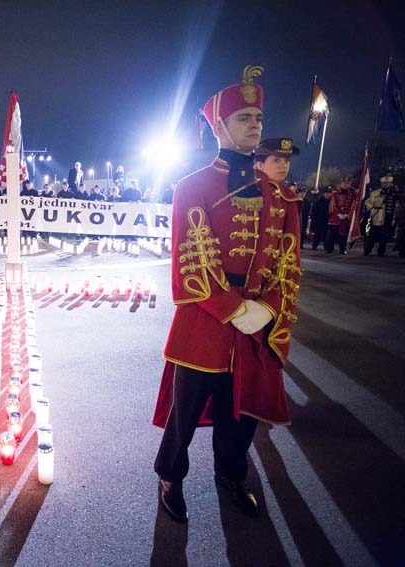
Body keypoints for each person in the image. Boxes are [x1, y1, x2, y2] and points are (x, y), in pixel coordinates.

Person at [152, 67, 302, 523]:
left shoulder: (282, 196)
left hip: (255, 320)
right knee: (186, 412)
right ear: (219, 127)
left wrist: (267, 310)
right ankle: (170, 477)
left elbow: (289, 261)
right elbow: (191, 260)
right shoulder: (191, 187)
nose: (255, 125)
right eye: (243, 118)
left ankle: (231, 475)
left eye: (258, 117)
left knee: (242, 417)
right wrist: (234, 309)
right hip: (204, 322)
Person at [364, 176, 395, 256]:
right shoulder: (375, 193)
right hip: (376, 217)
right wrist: (372, 208)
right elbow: (368, 202)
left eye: (388, 183)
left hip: (387, 218)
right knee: (371, 235)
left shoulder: (393, 194)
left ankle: (381, 251)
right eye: (384, 183)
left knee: (384, 237)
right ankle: (368, 249)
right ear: (381, 184)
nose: (386, 185)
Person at [326, 177, 355, 254]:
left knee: (344, 234)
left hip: (346, 216)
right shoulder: (335, 193)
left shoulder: (353, 193)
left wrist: (347, 214)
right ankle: (330, 248)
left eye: (348, 183)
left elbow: (354, 204)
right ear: (341, 183)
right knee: (331, 233)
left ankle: (343, 249)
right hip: (336, 216)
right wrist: (338, 214)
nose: (346, 185)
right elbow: (333, 204)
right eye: (344, 183)